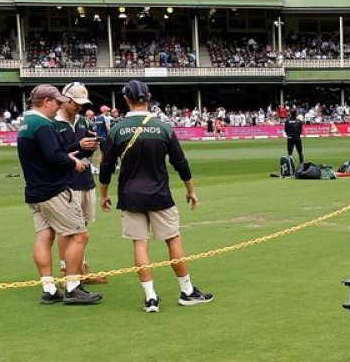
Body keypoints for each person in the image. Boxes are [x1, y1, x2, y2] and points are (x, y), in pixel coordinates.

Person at [98, 79, 212, 313]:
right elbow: (180, 162)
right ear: (147, 98)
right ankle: (187, 291)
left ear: (126, 100)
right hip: (160, 193)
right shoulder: (163, 127)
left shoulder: (117, 129)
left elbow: (106, 166)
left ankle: (151, 298)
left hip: (130, 196)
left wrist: (104, 194)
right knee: (173, 240)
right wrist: (190, 190)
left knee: (140, 245)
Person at [16, 84, 103, 305]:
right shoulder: (42, 124)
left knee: (44, 236)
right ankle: (73, 286)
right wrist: (73, 163)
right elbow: (54, 156)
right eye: (56, 101)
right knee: (79, 235)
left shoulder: (26, 123)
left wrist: (69, 152)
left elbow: (50, 153)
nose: (59, 105)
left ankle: (49, 288)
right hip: (53, 189)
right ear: (46, 101)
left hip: (34, 190)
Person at [56, 82, 107, 285]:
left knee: (82, 226)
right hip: (65, 182)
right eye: (75, 102)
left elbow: (83, 152)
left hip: (85, 179)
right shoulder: (53, 124)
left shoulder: (84, 122)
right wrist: (78, 145)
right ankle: (65, 269)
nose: (79, 106)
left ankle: (80, 266)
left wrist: (91, 146)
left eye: (82, 103)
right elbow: (55, 154)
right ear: (65, 99)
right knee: (67, 229)